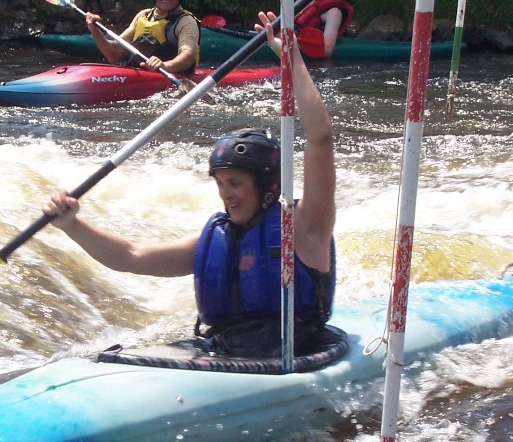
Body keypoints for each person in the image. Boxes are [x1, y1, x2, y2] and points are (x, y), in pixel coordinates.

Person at [43, 10, 336, 359]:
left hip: (294, 355)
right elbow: (130, 257)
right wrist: (71, 224)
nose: (226, 194)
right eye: (222, 183)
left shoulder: (304, 227)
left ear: (269, 185)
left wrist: (291, 59)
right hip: (225, 354)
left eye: (236, 183)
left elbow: (320, 139)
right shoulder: (216, 238)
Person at [85, 0, 201, 78]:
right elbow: (114, 53)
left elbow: (187, 57)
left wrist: (164, 66)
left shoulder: (186, 21)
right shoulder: (143, 16)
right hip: (137, 76)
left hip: (169, 77)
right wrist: (95, 30)